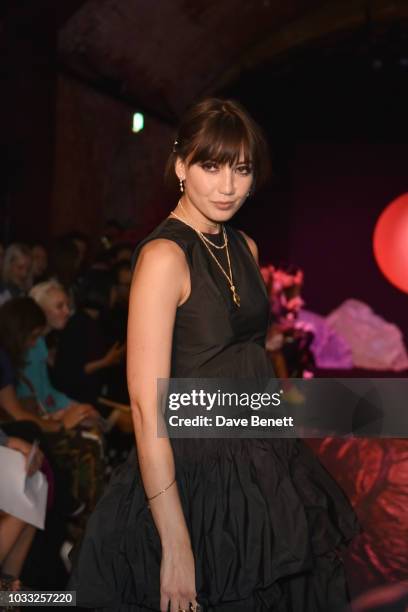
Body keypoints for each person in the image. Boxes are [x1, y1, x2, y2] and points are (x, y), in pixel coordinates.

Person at [70, 98, 359, 611]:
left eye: (242, 169)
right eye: (211, 165)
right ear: (181, 166)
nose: (228, 186)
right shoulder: (164, 257)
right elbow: (145, 406)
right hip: (193, 475)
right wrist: (177, 544)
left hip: (260, 465)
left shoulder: (243, 246)